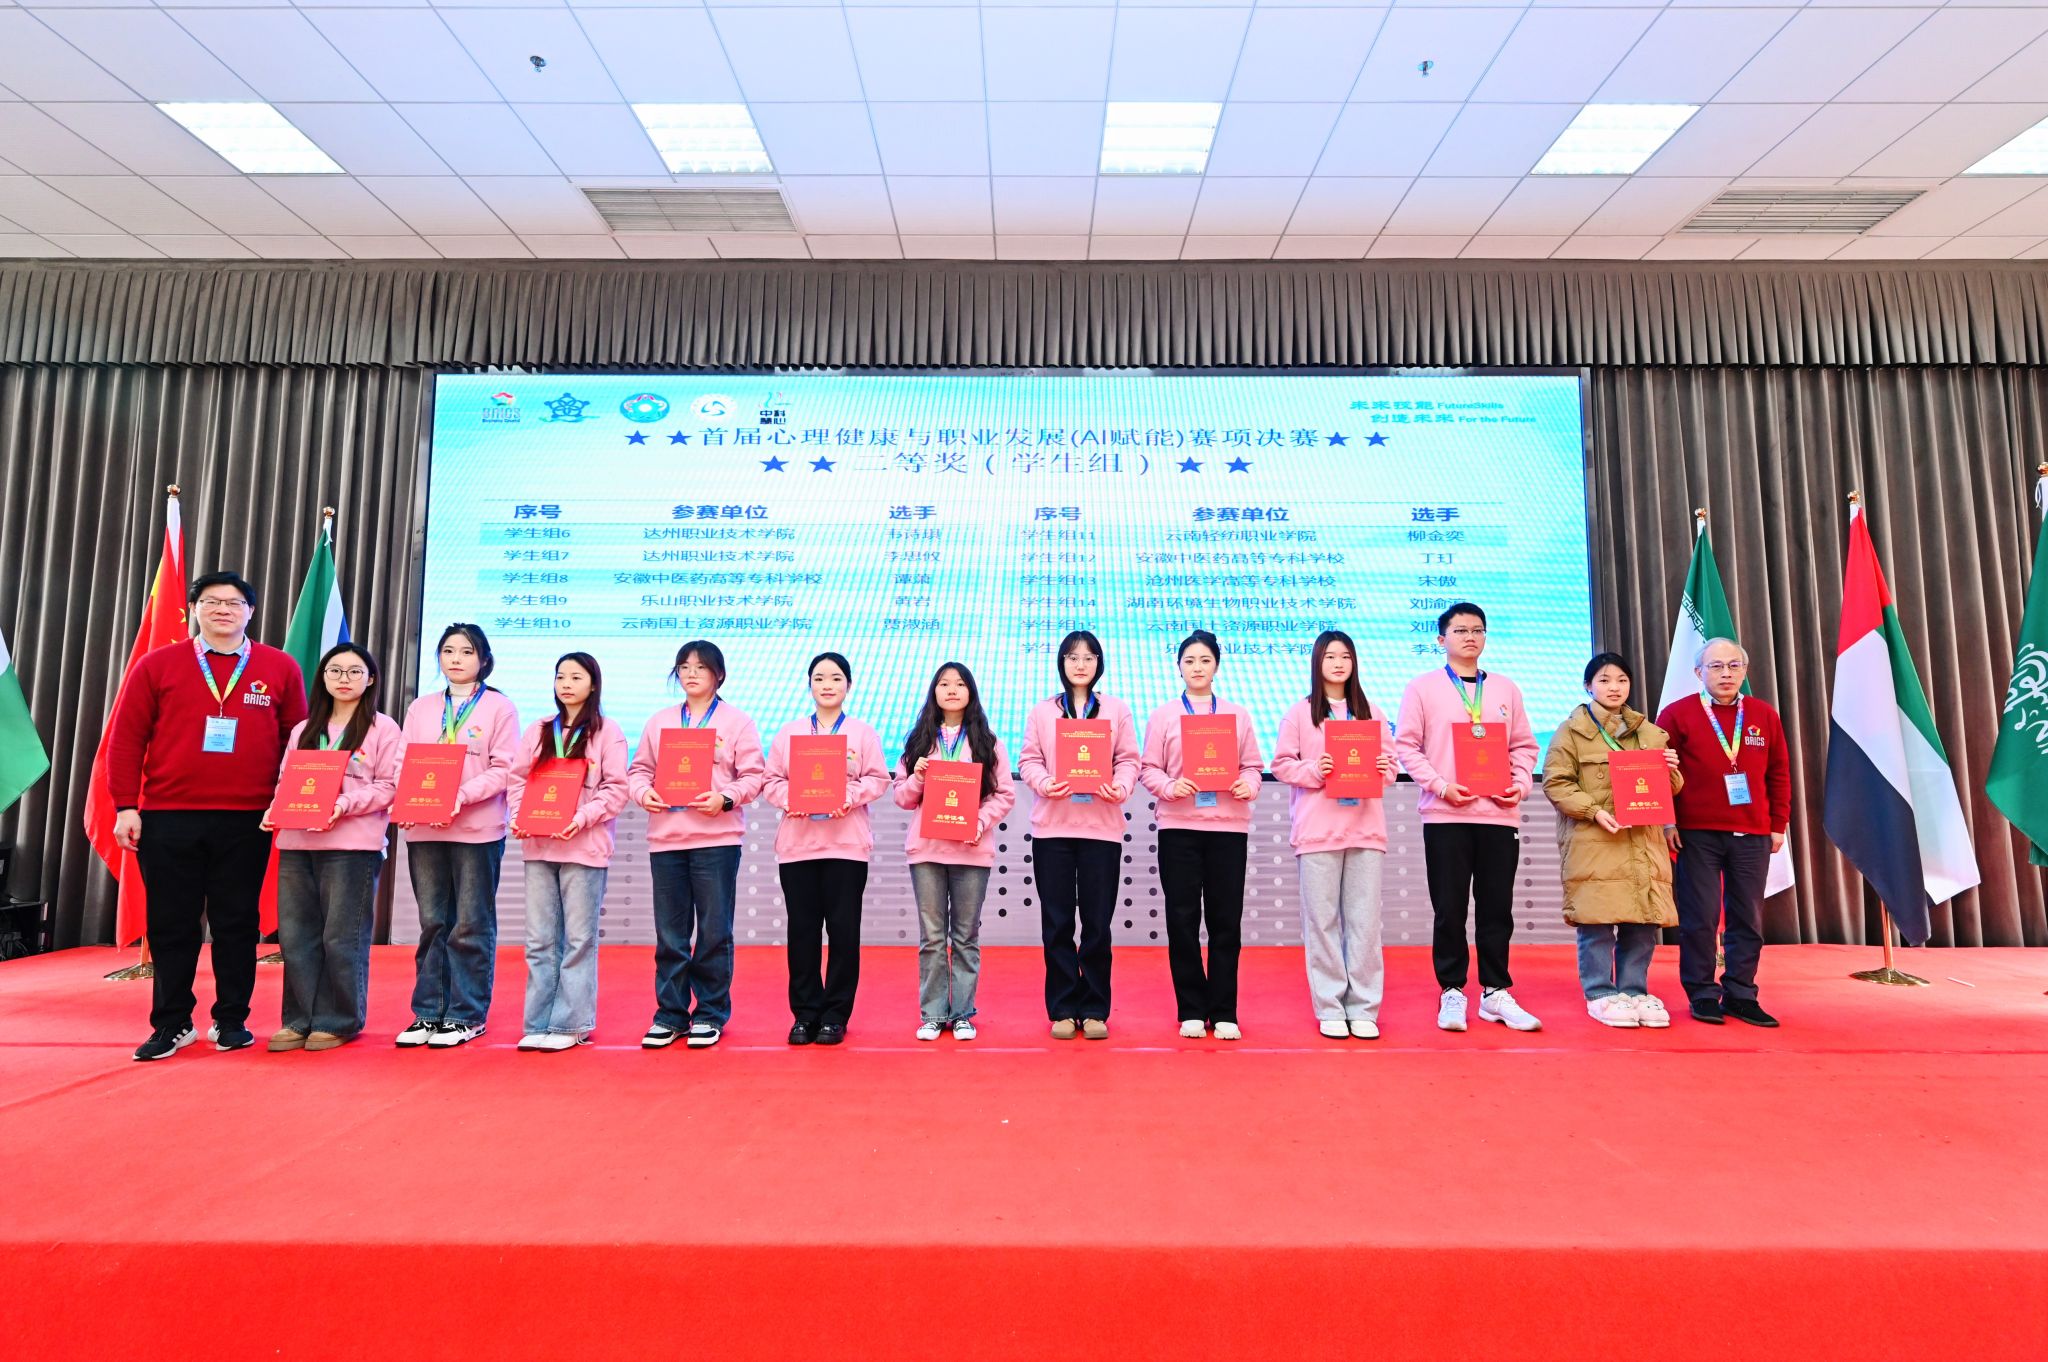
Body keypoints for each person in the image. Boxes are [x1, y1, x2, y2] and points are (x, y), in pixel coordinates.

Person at [108, 570, 308, 1061]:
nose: (223, 610)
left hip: (247, 819)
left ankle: (231, 1020)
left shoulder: (279, 667)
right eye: (212, 601)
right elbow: (126, 738)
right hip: (168, 816)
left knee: (236, 923)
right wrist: (126, 806)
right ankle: (172, 1023)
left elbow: (297, 744)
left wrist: (288, 803)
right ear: (194, 609)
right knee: (171, 923)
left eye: (234, 602)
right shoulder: (158, 664)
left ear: (251, 611)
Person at [1393, 602, 1543, 1033]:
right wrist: (1441, 786)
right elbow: (1407, 746)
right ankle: (1452, 990)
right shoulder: (1422, 688)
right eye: (1460, 630)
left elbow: (1524, 746)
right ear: (1441, 639)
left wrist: (1520, 785)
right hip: (1446, 814)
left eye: (1477, 630)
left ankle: (1495, 992)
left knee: (1497, 908)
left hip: (1499, 814)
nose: (1470, 637)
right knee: (1450, 908)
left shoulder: (1505, 689)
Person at [626, 639, 765, 1050]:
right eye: (684, 667)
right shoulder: (660, 721)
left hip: (716, 840)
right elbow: (639, 770)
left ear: (718, 675)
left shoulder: (737, 722)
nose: (690, 674)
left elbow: (754, 775)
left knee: (713, 931)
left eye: (700, 667)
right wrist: (643, 793)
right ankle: (670, 1015)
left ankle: (709, 1013)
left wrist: (726, 798)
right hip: (666, 839)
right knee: (670, 934)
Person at [262, 642, 401, 1052]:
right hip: (297, 841)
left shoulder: (383, 728)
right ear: (322, 678)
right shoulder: (304, 729)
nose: (344, 679)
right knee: (296, 936)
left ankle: (338, 1020)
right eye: (335, 671)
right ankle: (298, 1019)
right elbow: (287, 781)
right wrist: (275, 810)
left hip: (352, 846)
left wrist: (343, 804)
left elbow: (389, 787)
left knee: (342, 937)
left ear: (370, 679)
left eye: (355, 671)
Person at [1542, 652, 1684, 1029]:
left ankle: (1634, 991)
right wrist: (1593, 811)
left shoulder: (1651, 733)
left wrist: (1671, 770)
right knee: (1597, 920)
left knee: (1643, 921)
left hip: (1642, 841)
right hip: (1595, 839)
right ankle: (1600, 992)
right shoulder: (1570, 732)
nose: (1614, 687)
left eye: (1621, 680)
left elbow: (1670, 790)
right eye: (1604, 680)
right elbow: (1556, 783)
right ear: (1588, 686)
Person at [394, 623, 519, 1049]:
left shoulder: (499, 707)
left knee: (469, 924)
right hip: (425, 828)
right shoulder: (421, 707)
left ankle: (466, 1015)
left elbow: (505, 769)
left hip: (476, 830)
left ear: (483, 659)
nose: (456, 659)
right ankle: (428, 1012)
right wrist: (407, 801)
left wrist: (459, 795)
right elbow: (403, 763)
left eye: (466, 651)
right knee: (433, 923)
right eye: (448, 651)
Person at [1656, 638, 1792, 1027]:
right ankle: (1702, 993)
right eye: (1716, 666)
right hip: (1696, 833)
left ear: (1745, 671)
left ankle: (1741, 994)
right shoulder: (1677, 714)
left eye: (1734, 666)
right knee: (1699, 918)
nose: (1726, 673)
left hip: (1753, 832)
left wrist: (1777, 824)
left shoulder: (1764, 715)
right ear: (1699, 673)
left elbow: (1779, 772)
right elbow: (1659, 772)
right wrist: (1668, 821)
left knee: (1747, 918)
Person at [1271, 630, 1398, 1040]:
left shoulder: (1372, 713)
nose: (1339, 663)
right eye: (1330, 656)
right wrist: (1315, 769)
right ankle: (1329, 1006)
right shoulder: (1300, 713)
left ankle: (1363, 1008)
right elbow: (1281, 765)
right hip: (1317, 833)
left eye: (1345, 656)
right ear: (1317, 663)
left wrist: (1383, 768)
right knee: (1321, 923)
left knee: (1365, 923)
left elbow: (1392, 767)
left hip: (1365, 831)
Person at [1139, 630, 1263, 1040]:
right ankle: (1191, 1008)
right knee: (1182, 919)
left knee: (1226, 921)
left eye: (1205, 660)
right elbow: (1148, 769)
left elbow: (1253, 766)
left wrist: (1249, 785)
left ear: (1217, 666)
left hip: (1228, 828)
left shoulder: (1237, 715)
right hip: (1179, 828)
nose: (1197, 667)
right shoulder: (1163, 715)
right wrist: (1170, 786)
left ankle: (1224, 1010)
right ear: (1178, 667)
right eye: (1189, 660)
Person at [763, 652, 889, 1046]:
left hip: (846, 847)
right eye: (819, 678)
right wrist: (791, 798)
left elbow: (878, 779)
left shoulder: (862, 733)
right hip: (798, 847)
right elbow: (771, 781)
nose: (827, 685)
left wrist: (847, 796)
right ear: (809, 685)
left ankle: (835, 1015)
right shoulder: (789, 733)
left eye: (835, 678)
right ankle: (805, 1014)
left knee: (843, 932)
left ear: (848, 685)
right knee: (802, 933)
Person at [1017, 630, 1138, 1041]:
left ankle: (1096, 1008)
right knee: (1057, 923)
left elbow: (1129, 761)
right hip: (1053, 829)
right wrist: (1043, 782)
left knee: (1097, 924)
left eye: (1088, 657)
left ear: (1099, 663)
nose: (1080, 664)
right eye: (1072, 657)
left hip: (1101, 829)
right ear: (1062, 663)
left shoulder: (1116, 710)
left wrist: (1120, 786)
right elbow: (1029, 760)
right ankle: (1064, 1008)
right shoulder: (1042, 712)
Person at [507, 652, 629, 1053]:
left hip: (584, 847)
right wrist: (518, 815)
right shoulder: (540, 729)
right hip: (539, 846)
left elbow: (617, 789)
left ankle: (571, 1023)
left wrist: (582, 817)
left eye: (576, 677)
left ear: (593, 685)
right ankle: (538, 1021)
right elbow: (517, 780)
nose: (566, 684)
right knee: (540, 940)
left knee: (578, 940)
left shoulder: (607, 731)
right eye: (560, 676)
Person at [893, 663, 1015, 1041]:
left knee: (965, 937)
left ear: (970, 692)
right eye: (944, 683)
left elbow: (1004, 795)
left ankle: (962, 1013)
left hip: (971, 852)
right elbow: (901, 798)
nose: (951, 689)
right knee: (932, 938)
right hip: (927, 852)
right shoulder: (919, 740)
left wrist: (979, 821)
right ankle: (932, 1013)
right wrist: (917, 778)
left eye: (960, 684)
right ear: (934, 692)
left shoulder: (987, 742)